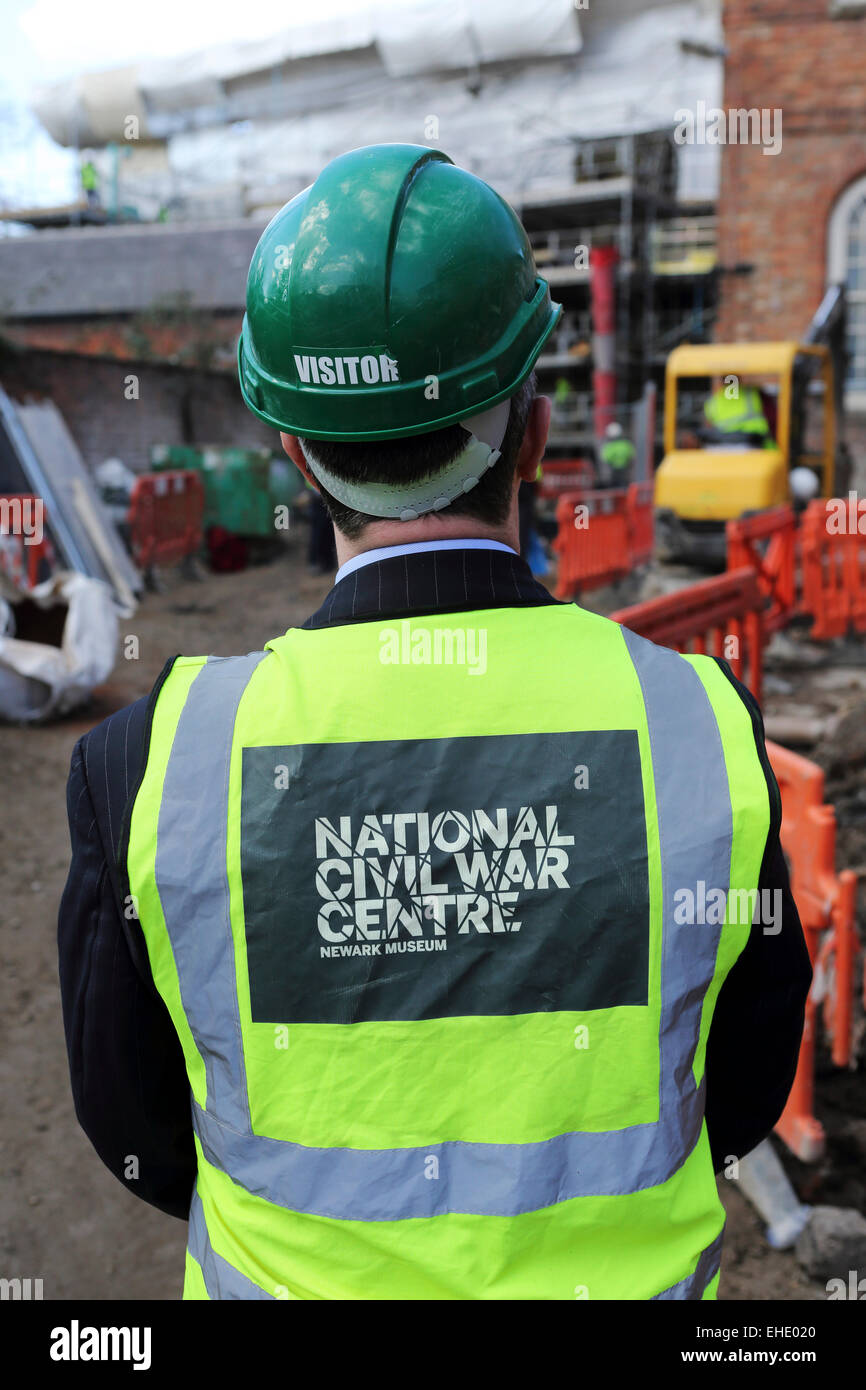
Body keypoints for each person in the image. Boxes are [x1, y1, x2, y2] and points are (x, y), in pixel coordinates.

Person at [58, 144, 811, 1301]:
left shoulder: (152, 759)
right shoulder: (700, 727)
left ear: (296, 453)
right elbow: (743, 1086)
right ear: (535, 434)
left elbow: (136, 1126)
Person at [703, 378, 776, 448]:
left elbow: (708, 426)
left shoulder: (714, 400)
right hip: (757, 445)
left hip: (724, 448)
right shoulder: (753, 393)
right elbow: (773, 418)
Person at [599, 420, 635, 485]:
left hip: (614, 470)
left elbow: (605, 458)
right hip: (625, 469)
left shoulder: (609, 446)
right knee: (624, 485)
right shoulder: (626, 444)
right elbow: (631, 456)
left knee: (615, 486)